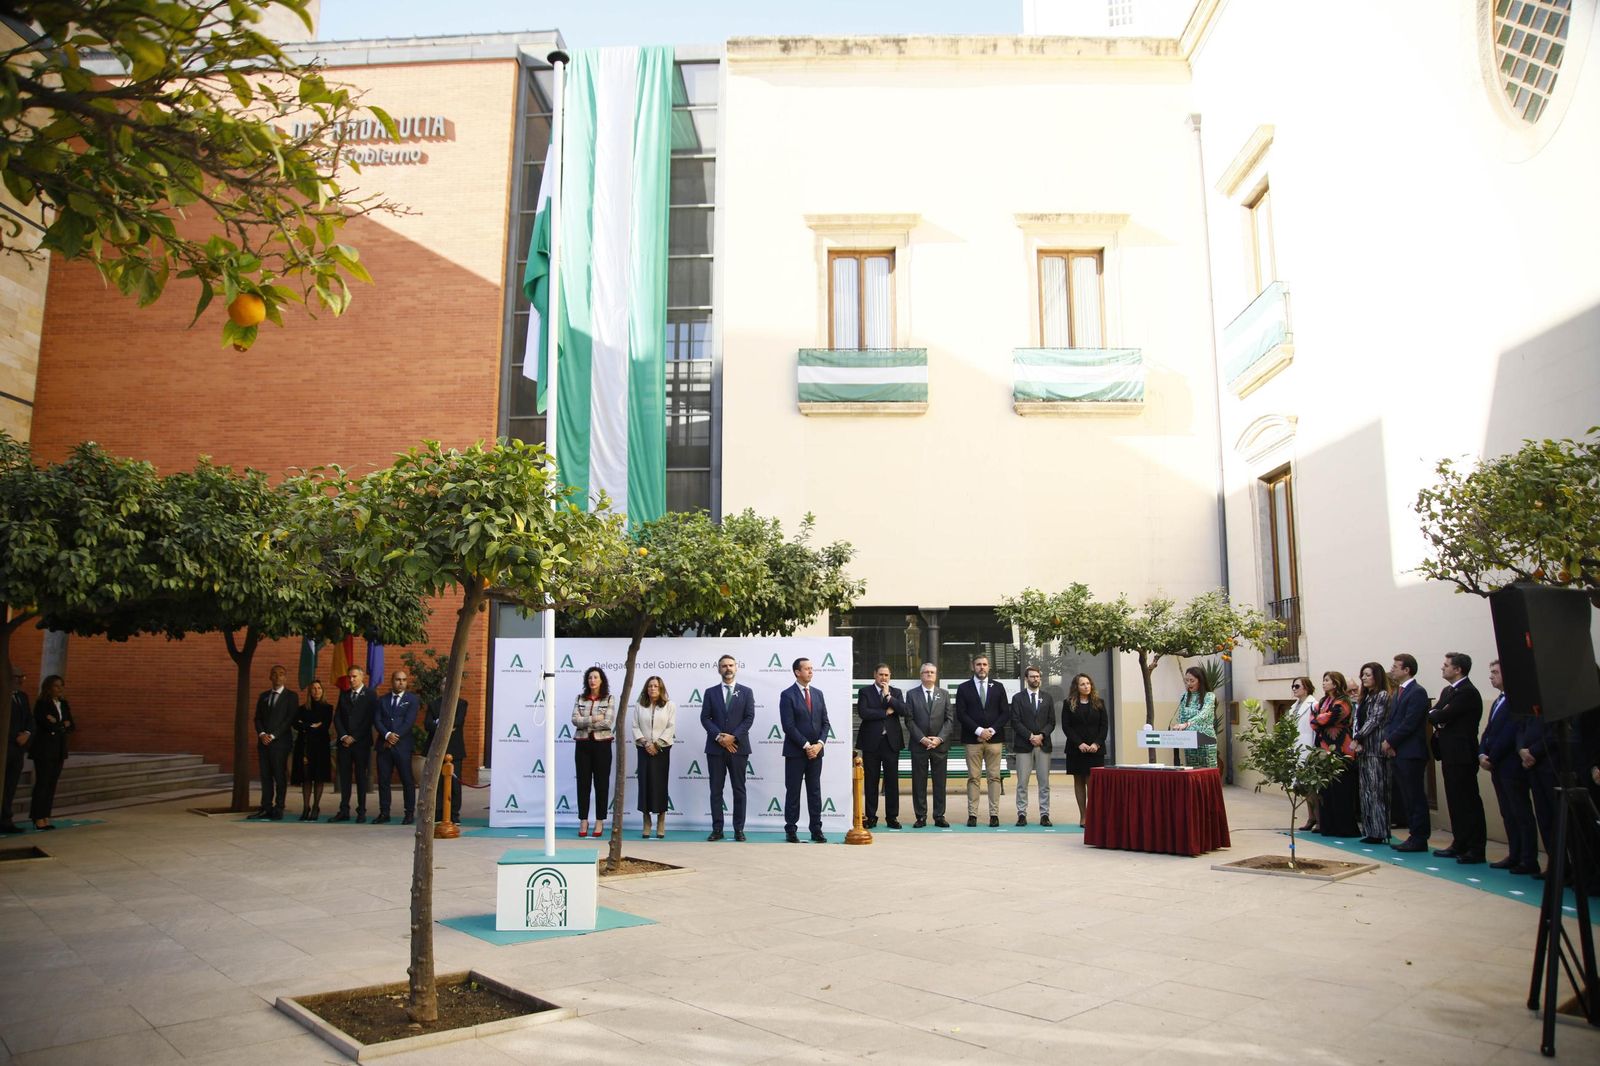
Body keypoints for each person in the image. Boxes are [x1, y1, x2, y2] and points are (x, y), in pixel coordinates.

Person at [1479, 660, 1538, 874]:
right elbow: (1489, 731)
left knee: (1520, 812)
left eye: (1495, 672)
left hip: (1510, 764)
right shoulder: (1498, 701)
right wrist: (1482, 752)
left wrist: (1492, 756)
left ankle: (1528, 858)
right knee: (1508, 812)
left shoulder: (1516, 700)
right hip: (1496, 763)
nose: (1491, 676)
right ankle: (1514, 854)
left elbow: (1510, 732)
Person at [1427, 651, 1485, 863]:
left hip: (1463, 754)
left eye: (1446, 665)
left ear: (1458, 669)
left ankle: (1475, 848)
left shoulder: (1467, 692)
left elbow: (1442, 715)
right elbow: (1433, 713)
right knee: (1454, 801)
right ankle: (1459, 842)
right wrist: (1440, 717)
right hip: (1449, 753)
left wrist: (1440, 717)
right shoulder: (1447, 691)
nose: (1443, 668)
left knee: (1468, 801)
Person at [1381, 653, 1431, 852]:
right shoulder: (1398, 692)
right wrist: (1388, 741)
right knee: (1407, 796)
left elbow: (1410, 723)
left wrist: (1391, 741)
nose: (1392, 669)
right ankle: (1413, 834)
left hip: (1411, 752)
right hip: (1397, 751)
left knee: (1415, 796)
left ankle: (1419, 837)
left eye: (1395, 666)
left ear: (1406, 670)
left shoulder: (1417, 692)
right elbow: (1391, 721)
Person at [701, 654, 754, 841]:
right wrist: (719, 737)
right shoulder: (710, 692)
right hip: (715, 749)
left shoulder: (746, 692)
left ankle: (739, 829)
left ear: (736, 667)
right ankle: (717, 829)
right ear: (718, 669)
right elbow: (705, 718)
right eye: (724, 666)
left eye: (731, 665)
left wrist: (733, 738)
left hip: (739, 748)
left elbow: (749, 718)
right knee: (716, 790)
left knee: (739, 789)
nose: (728, 668)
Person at [779, 657, 831, 843]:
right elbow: (788, 726)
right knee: (793, 791)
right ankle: (791, 830)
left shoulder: (818, 694)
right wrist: (806, 745)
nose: (810, 671)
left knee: (814, 792)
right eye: (807, 669)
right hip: (795, 752)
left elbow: (825, 723)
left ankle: (816, 830)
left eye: (811, 668)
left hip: (816, 753)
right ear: (797, 672)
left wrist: (819, 744)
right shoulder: (787, 695)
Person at [956, 654, 1009, 827]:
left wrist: (991, 731)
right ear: (973, 666)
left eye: (985, 664)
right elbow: (961, 714)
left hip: (994, 740)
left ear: (989, 667)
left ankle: (994, 815)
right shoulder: (964, 688)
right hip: (973, 739)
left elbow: (1004, 713)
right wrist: (978, 730)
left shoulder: (998, 687)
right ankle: (972, 815)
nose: (982, 667)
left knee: (994, 777)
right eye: (978, 664)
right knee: (974, 778)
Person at [905, 662, 955, 828]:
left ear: (936, 675)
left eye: (932, 672)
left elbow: (949, 720)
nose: (929, 674)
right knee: (919, 782)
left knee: (940, 782)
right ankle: (920, 816)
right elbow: (909, 720)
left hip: (939, 746)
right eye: (926, 672)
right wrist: (922, 739)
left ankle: (939, 816)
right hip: (919, 745)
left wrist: (938, 739)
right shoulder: (912, 695)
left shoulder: (944, 694)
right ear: (921, 675)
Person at [855, 663, 905, 829]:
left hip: (891, 743)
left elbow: (903, 710)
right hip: (871, 743)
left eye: (886, 675)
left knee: (892, 781)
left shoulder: (896, 692)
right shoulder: (865, 692)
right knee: (871, 781)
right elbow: (863, 712)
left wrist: (888, 697)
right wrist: (884, 712)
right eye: (881, 674)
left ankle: (892, 817)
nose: (884, 678)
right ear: (874, 675)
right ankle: (871, 816)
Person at [1313, 671, 1360, 836]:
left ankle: (1344, 827)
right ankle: (1329, 826)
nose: (1324, 683)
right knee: (1326, 788)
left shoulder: (1343, 700)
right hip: (1324, 746)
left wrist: (1320, 718)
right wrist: (1320, 719)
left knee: (1342, 787)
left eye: (1327, 680)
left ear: (1336, 683)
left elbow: (1334, 716)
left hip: (1342, 747)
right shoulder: (1324, 701)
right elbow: (1314, 720)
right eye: (1323, 680)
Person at [570, 666, 615, 839]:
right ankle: (583, 820)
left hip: (602, 745)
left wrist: (586, 722)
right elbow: (575, 720)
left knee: (601, 784)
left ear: (601, 680)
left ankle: (599, 820)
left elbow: (608, 722)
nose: (592, 680)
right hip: (582, 745)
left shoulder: (609, 698)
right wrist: (596, 718)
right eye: (590, 677)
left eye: (596, 677)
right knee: (583, 784)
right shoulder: (579, 698)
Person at [1351, 662, 1393, 844]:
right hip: (1364, 750)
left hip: (1375, 749)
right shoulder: (1366, 697)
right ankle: (1369, 830)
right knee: (1366, 791)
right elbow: (1358, 720)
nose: (1364, 678)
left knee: (1376, 791)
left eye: (1368, 675)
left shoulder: (1382, 695)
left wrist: (1358, 737)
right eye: (1363, 675)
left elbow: (1374, 719)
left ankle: (1379, 831)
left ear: (1377, 676)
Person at [331, 666, 378, 823]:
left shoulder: (370, 695)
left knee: (360, 777)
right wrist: (344, 735)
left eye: (354, 677)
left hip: (361, 743)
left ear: (362, 677)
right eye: (350, 677)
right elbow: (337, 717)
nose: (351, 680)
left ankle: (361, 811)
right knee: (344, 777)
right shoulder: (344, 694)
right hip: (344, 743)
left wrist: (354, 737)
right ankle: (344, 810)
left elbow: (370, 719)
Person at [374, 668, 420, 825]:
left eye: (404, 680)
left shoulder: (412, 700)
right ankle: (384, 812)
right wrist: (387, 735)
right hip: (384, 745)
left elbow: (409, 721)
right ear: (392, 681)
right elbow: (377, 720)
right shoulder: (382, 700)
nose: (401, 683)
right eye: (398, 679)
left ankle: (409, 813)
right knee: (383, 781)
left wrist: (395, 736)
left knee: (407, 780)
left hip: (403, 746)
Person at [1009, 666, 1054, 827]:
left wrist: (1041, 735)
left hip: (1043, 745)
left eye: (1037, 676)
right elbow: (1015, 721)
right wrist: (1030, 736)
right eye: (1032, 676)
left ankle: (1045, 814)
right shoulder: (1018, 698)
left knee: (1044, 782)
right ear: (1026, 679)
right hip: (1024, 745)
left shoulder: (1047, 698)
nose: (1035, 679)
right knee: (1022, 782)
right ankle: (1021, 814)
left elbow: (1051, 722)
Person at [250, 664, 296, 821]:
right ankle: (265, 807)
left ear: (285, 677)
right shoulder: (263, 696)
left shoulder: (291, 696)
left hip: (280, 743)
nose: (278, 677)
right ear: (270, 677)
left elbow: (289, 719)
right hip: (264, 743)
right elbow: (257, 718)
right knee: (265, 776)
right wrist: (262, 734)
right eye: (275, 674)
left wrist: (273, 735)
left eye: (281, 674)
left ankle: (279, 807)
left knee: (279, 775)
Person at [28, 674, 74, 830]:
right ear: (49, 688)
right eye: (56, 686)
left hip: (59, 749)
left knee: (52, 784)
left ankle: (46, 815)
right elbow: (46, 725)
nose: (60, 689)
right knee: (43, 782)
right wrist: (61, 725)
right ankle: (37, 817)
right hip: (44, 749)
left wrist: (59, 724)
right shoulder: (42, 704)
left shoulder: (63, 704)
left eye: (61, 685)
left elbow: (71, 725)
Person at [1062, 672, 1107, 828]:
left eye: (1088, 683)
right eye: (1082, 684)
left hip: (1095, 750)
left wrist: (1097, 743)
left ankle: (1094, 815)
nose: (1086, 686)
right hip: (1076, 749)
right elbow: (1066, 726)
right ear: (1076, 687)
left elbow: (1104, 726)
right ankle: (1083, 816)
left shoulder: (1099, 703)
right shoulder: (1068, 703)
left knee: (1092, 782)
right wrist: (1079, 743)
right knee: (1079, 781)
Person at [633, 675, 675, 839]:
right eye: (650, 686)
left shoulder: (670, 705)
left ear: (661, 688)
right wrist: (645, 743)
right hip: (643, 749)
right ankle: (646, 821)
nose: (652, 689)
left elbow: (671, 726)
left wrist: (657, 744)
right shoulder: (639, 706)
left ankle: (661, 820)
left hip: (662, 749)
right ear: (646, 688)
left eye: (656, 686)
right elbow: (635, 726)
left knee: (660, 784)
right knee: (644, 784)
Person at [292, 679, 334, 821]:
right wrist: (312, 726)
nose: (316, 691)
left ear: (322, 691)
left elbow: (324, 726)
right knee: (306, 778)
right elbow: (296, 725)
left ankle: (316, 806)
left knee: (319, 777)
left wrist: (306, 726)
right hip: (304, 746)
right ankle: (305, 807)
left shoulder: (328, 708)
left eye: (319, 688)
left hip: (321, 747)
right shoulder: (302, 709)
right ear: (310, 692)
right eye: (314, 689)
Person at [425, 690, 468, 824]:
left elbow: (457, 721)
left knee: (455, 784)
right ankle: (438, 814)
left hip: (455, 749)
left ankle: (454, 815)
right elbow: (428, 724)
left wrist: (438, 723)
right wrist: (442, 725)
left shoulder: (461, 704)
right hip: (436, 749)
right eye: (444, 684)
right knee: (437, 783)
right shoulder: (433, 704)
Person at [2, 668, 33, 834]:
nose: (21, 680)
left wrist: (27, 734)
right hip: (6, 745)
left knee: (11, 785)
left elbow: (29, 718)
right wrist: (15, 736)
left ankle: (6, 819)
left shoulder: (22, 697)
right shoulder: (3, 695)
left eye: (23, 676)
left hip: (18, 749)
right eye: (17, 677)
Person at [1288, 677, 1319, 830]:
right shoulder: (1294, 706)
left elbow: (1315, 729)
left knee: (1310, 785)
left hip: (1307, 746)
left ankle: (1319, 819)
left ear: (1306, 688)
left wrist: (1313, 749)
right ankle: (1311, 817)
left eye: (1297, 686)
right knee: (1301, 785)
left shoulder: (1313, 704)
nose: (1294, 689)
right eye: (1293, 686)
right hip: (1296, 747)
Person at [1174, 666, 1217, 768]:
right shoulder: (1184, 696)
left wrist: (1187, 724)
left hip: (1206, 739)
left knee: (1207, 771)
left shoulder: (1209, 696)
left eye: (1192, 681)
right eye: (1186, 680)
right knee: (1192, 770)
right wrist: (1178, 726)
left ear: (1200, 681)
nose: (1188, 684)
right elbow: (1182, 716)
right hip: (1189, 740)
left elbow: (1204, 714)